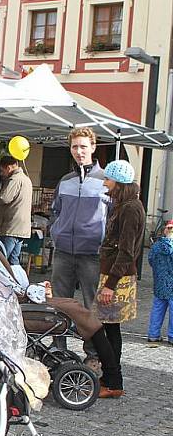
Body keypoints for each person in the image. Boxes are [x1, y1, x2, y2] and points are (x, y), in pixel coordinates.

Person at [49, 127, 107, 366]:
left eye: (84, 146)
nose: (79, 151)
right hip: (63, 251)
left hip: (91, 253)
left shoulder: (105, 180)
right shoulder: (65, 180)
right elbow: (56, 211)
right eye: (75, 147)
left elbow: (113, 216)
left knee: (92, 304)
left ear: (93, 147)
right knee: (59, 302)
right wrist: (56, 232)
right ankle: (58, 347)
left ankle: (93, 354)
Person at [95, 160, 144, 398]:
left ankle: (114, 382)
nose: (105, 183)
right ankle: (110, 377)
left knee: (109, 332)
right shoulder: (123, 205)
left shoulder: (130, 208)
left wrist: (110, 285)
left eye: (108, 179)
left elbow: (127, 251)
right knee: (108, 330)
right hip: (113, 274)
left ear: (119, 182)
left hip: (119, 278)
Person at [0, 156, 33, 266]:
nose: (1, 174)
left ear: (9, 167)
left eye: (2, 170)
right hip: (22, 227)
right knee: (14, 260)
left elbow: (4, 198)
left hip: (11, 226)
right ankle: (18, 281)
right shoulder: (26, 179)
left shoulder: (14, 180)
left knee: (2, 259)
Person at [147, 220, 173, 344]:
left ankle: (153, 334)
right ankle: (172, 336)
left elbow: (150, 260)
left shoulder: (156, 245)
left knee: (157, 308)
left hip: (159, 283)